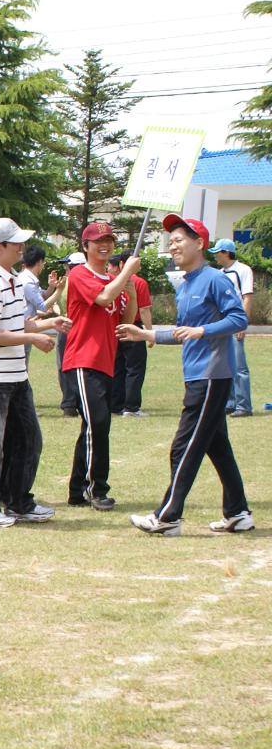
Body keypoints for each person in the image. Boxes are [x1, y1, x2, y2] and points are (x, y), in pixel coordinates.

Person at [120, 216, 252, 536]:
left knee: (184, 446)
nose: (173, 245)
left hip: (211, 375)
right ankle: (238, 513)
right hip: (195, 375)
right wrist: (146, 335)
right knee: (216, 445)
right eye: (172, 240)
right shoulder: (186, 284)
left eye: (180, 239)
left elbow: (238, 319)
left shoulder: (216, 280)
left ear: (199, 244)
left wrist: (204, 330)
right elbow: (183, 333)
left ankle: (168, 517)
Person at [0, 218, 71, 528]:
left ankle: (18, 501)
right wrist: (33, 338)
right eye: (15, 243)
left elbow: (16, 324)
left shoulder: (11, 278)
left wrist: (47, 325)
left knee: (28, 439)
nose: (21, 247)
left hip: (14, 375)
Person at [63, 223, 138, 511]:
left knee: (92, 427)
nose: (104, 246)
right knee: (98, 424)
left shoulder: (111, 278)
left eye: (109, 240)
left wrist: (127, 287)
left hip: (106, 361)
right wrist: (125, 275)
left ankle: (76, 489)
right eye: (98, 241)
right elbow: (103, 298)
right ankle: (98, 489)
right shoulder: (81, 274)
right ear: (86, 246)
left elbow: (124, 319)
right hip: (84, 359)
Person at [210, 238, 255, 418]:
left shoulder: (243, 270)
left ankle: (244, 405)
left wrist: (242, 322)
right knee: (226, 364)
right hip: (223, 323)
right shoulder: (220, 273)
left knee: (239, 366)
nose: (215, 257)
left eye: (217, 253)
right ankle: (230, 403)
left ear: (226, 253)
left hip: (235, 321)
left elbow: (247, 297)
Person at [108, 251, 153, 417]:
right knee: (134, 368)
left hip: (116, 328)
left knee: (118, 367)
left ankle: (115, 405)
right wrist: (149, 333)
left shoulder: (113, 282)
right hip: (133, 327)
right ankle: (131, 407)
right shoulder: (139, 282)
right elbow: (144, 309)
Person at [51, 252, 84, 416]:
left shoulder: (65, 283)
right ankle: (78, 401)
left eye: (67, 265)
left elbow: (55, 305)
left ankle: (69, 403)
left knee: (64, 365)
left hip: (65, 325)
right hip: (80, 327)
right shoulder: (85, 282)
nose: (65, 268)